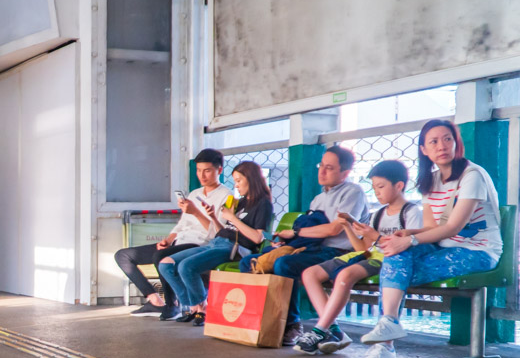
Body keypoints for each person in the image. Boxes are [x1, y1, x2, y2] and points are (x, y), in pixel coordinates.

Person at [358, 120, 502, 358]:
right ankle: (388, 329)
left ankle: (385, 345)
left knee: (398, 266)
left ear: (457, 143)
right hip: (444, 246)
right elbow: (431, 228)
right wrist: (408, 233)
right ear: (424, 149)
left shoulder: (472, 175)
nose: (441, 146)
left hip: (478, 251)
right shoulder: (429, 182)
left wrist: (411, 240)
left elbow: (453, 227)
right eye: (433, 141)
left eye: (447, 139)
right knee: (394, 252)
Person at [239, 145, 369, 346]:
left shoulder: (352, 192)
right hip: (312, 248)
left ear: (345, 173)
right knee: (250, 262)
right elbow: (312, 232)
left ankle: (292, 324)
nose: (322, 171)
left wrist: (297, 233)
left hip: (338, 251)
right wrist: (286, 242)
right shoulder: (318, 198)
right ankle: (261, 320)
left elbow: (334, 229)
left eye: (329, 168)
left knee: (284, 264)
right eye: (321, 166)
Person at [295, 160, 422, 356]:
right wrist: (348, 227)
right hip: (366, 256)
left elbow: (406, 249)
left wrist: (375, 236)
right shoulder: (378, 214)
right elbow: (362, 248)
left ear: (399, 186)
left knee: (344, 276)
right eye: (374, 188)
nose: (377, 192)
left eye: (381, 187)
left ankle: (319, 330)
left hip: (386, 261)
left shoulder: (411, 212)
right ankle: (334, 330)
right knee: (310, 274)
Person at [114, 149, 232, 319]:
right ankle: (154, 301)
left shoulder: (226, 196)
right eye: (199, 170)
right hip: (179, 242)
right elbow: (182, 224)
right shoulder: (195, 194)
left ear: (219, 170)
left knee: (160, 257)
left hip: (199, 245)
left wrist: (196, 213)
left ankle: (173, 305)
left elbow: (217, 234)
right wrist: (168, 239)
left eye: (207, 170)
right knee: (123, 256)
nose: (202, 175)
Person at [158, 161, 274, 326]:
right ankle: (194, 307)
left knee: (186, 267)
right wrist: (213, 217)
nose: (236, 185)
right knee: (166, 264)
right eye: (235, 181)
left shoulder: (263, 204)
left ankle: (203, 310)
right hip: (217, 241)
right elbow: (224, 229)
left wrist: (233, 218)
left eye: (239, 180)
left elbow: (257, 238)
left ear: (252, 179)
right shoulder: (239, 202)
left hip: (234, 248)